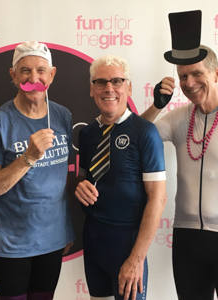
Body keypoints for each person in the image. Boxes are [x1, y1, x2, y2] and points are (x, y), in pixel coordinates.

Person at [142, 43, 218, 299]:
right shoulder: (177, 118)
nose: (189, 82)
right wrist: (156, 106)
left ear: (217, 74)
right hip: (187, 241)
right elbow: (134, 138)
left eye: (197, 73)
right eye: (183, 76)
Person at [0, 41, 75, 300]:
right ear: (13, 75)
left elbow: (59, 181)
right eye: (25, 70)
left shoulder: (63, 116)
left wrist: (66, 230)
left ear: (52, 75)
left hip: (53, 242)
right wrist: (28, 157)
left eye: (41, 70)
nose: (34, 78)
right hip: (11, 246)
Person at [74, 54, 167, 300]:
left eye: (117, 81)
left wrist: (136, 259)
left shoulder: (145, 132)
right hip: (93, 240)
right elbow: (85, 179)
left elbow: (158, 199)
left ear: (129, 87)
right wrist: (78, 185)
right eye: (101, 82)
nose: (109, 89)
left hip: (127, 244)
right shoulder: (87, 134)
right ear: (91, 89)